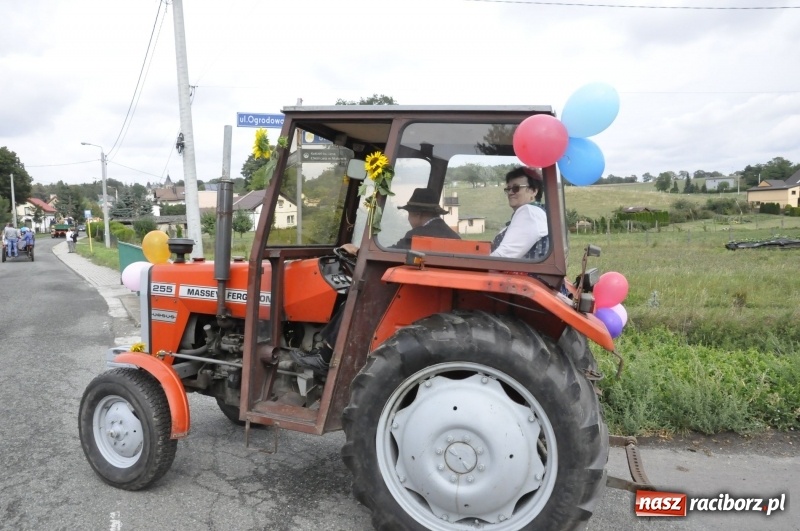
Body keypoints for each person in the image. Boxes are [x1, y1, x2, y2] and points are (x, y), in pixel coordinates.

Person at [290, 187, 460, 376]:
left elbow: (390, 254)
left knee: (354, 301)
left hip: (415, 297)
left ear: (418, 213)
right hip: (430, 293)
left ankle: (325, 355)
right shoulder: (449, 234)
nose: (408, 219)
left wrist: (357, 251)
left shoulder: (419, 235)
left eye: (409, 214)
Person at [490, 166, 549, 260]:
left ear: (533, 191)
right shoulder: (539, 212)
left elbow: (504, 255)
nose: (510, 193)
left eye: (516, 188)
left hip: (522, 274)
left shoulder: (529, 212)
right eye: (508, 189)